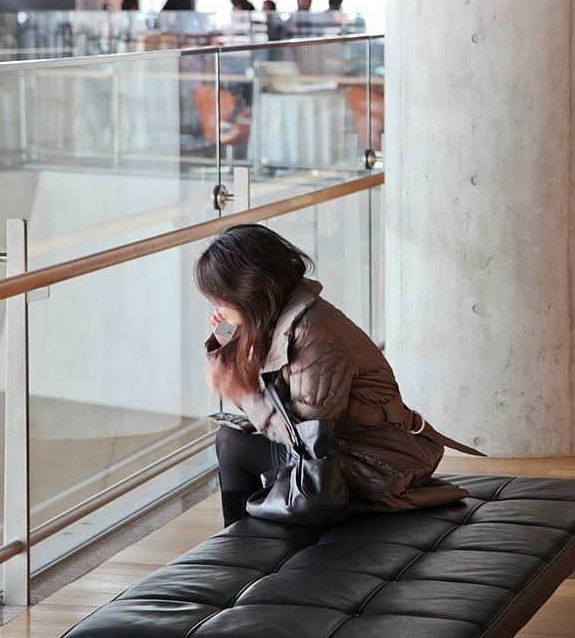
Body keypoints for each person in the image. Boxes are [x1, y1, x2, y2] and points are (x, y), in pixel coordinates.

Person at [195, 224, 485, 527]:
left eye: (220, 300)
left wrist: (242, 393)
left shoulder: (315, 336)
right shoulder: (288, 317)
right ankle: (244, 543)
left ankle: (242, 544)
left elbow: (307, 440)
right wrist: (231, 342)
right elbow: (278, 396)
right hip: (347, 447)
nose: (217, 307)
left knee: (232, 445)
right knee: (231, 440)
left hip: (378, 463)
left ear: (249, 292)